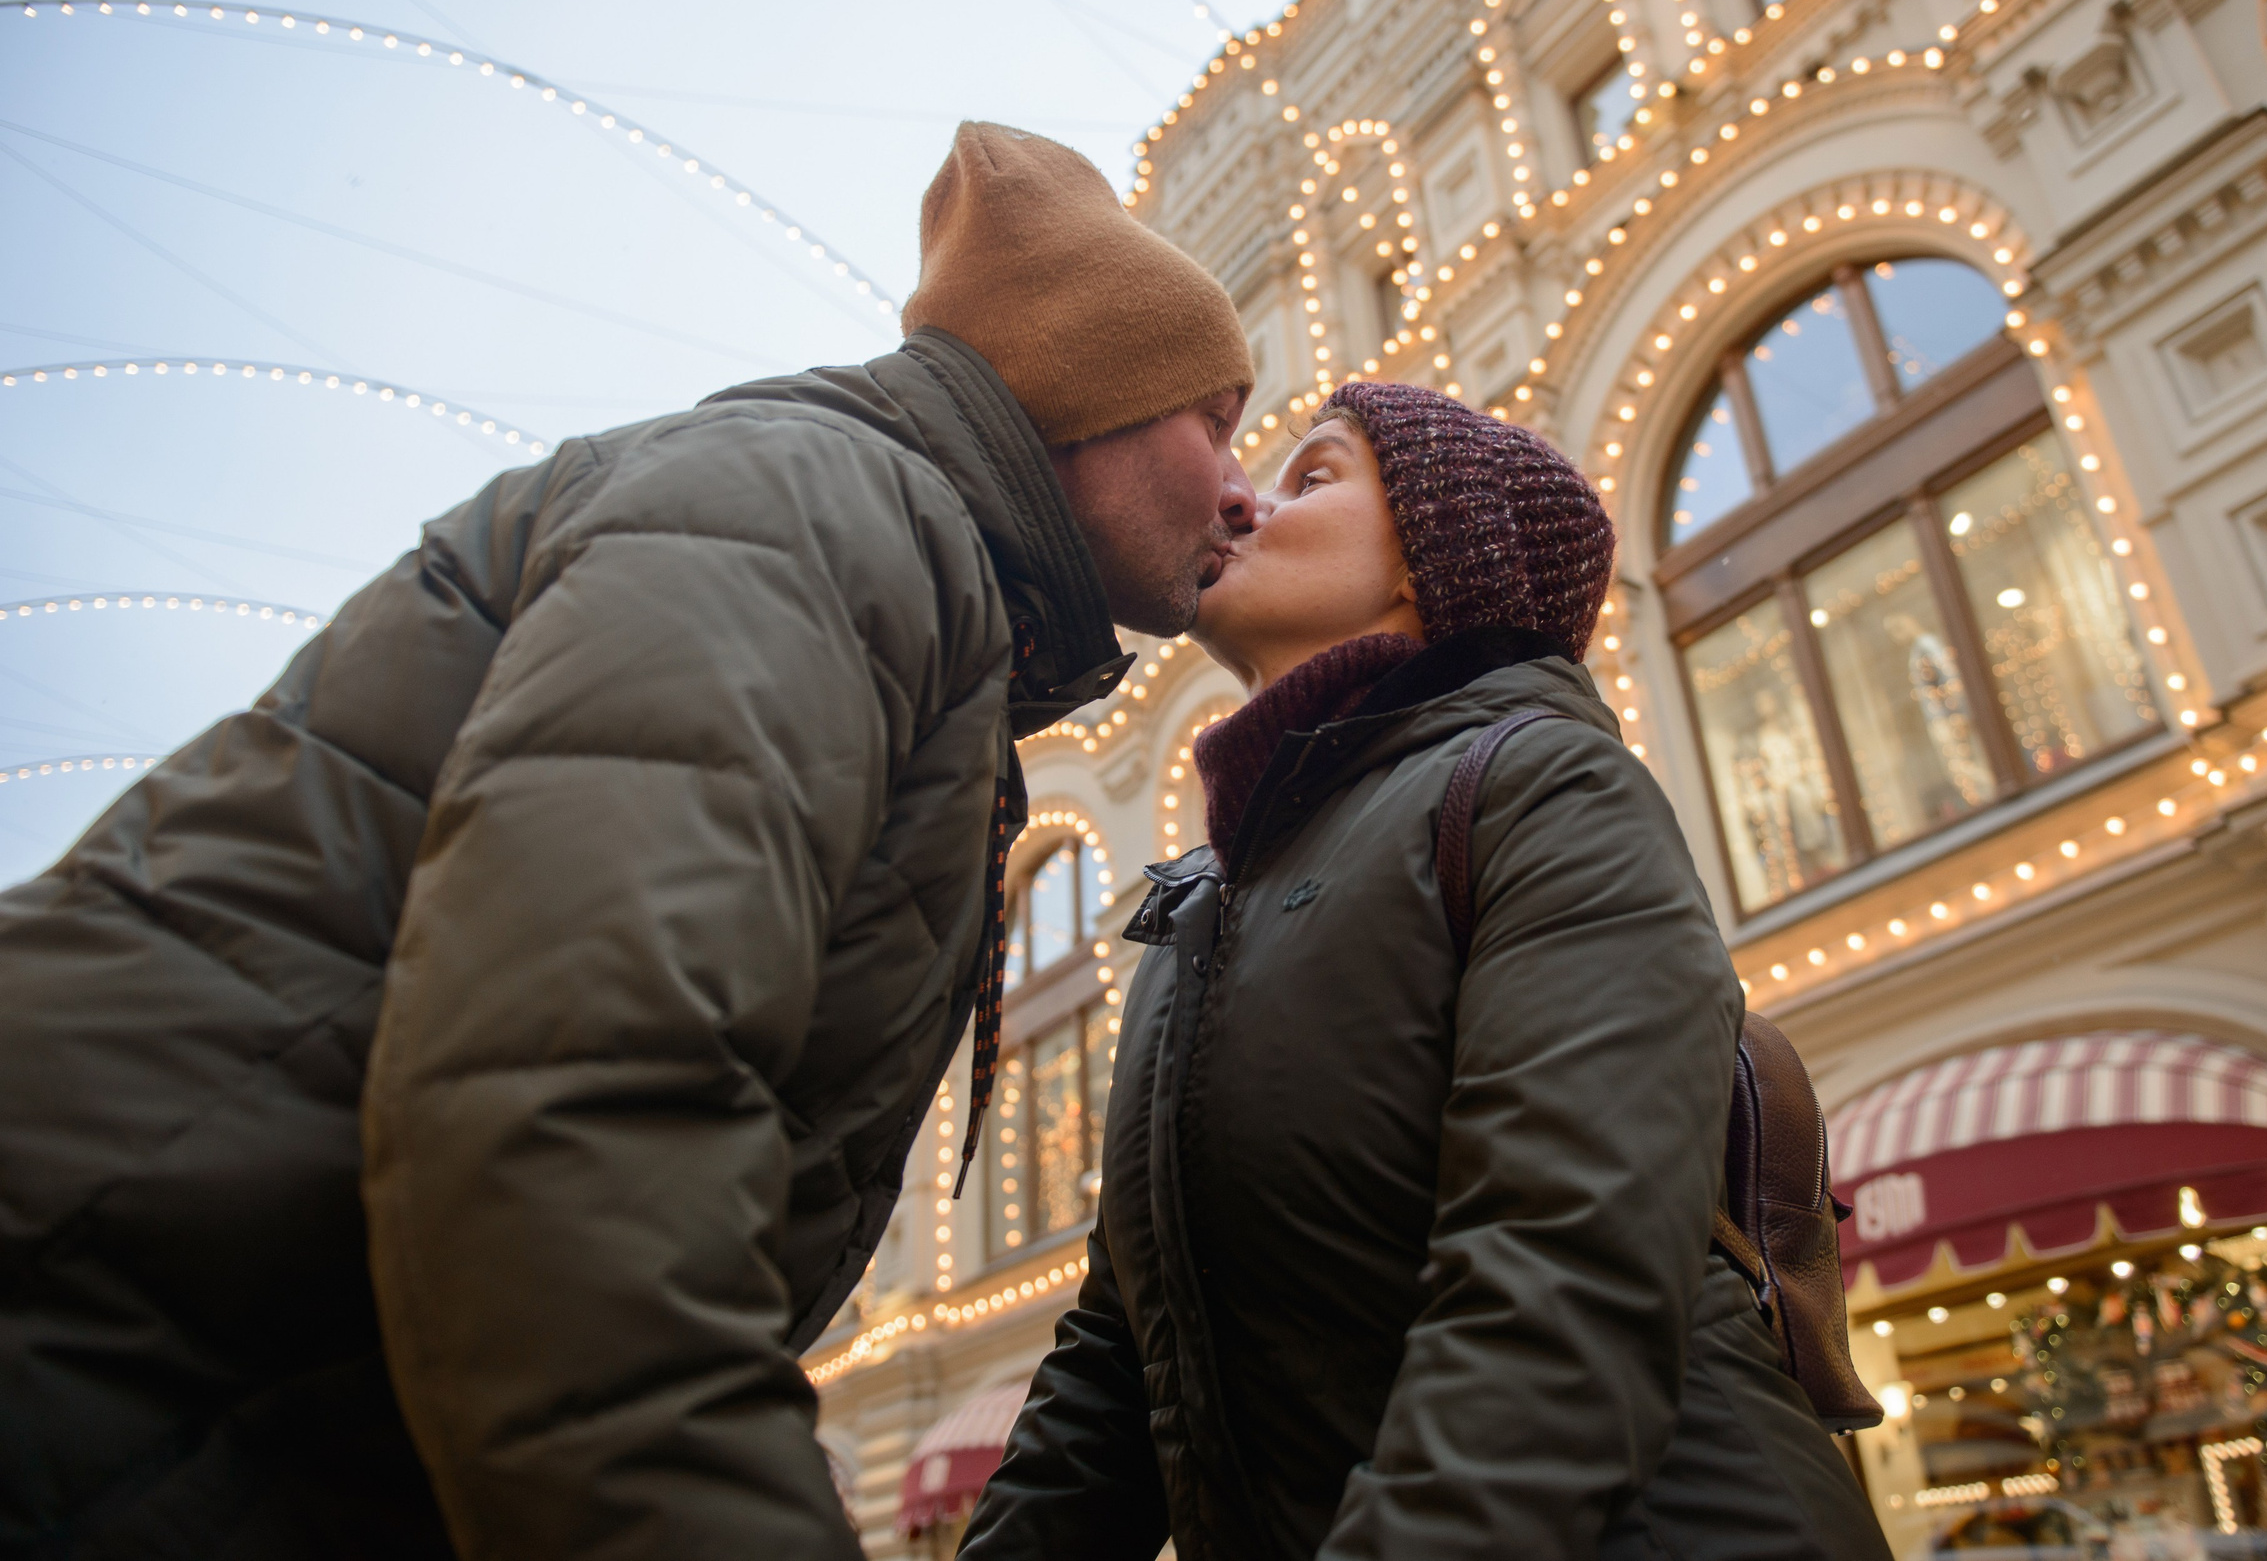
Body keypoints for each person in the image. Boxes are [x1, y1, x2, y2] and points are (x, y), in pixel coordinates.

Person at [0, 124, 1257, 1561]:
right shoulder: (826, 520)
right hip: (100, 1357)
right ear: (1086, 385)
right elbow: (573, 1102)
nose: (1239, 486)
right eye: (1213, 421)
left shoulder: (907, 588)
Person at [961, 382, 1891, 1561]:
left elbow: (1563, 1273)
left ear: (1431, 559)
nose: (1239, 500)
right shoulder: (1200, 902)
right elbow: (1116, 1363)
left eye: (1312, 476)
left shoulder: (1540, 785)